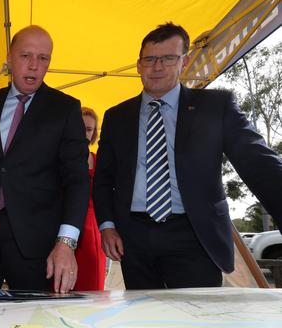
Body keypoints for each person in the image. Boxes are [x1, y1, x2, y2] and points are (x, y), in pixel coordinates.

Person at [93, 22, 282, 289]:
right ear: (138, 65)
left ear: (185, 62)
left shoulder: (216, 107)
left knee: (199, 320)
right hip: (133, 239)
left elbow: (259, 162)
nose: (157, 67)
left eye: (168, 58)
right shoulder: (116, 117)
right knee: (144, 321)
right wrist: (107, 225)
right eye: (150, 59)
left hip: (195, 236)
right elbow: (103, 179)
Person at [0, 25, 90, 295]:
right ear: (8, 57)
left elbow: (77, 180)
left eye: (43, 58)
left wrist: (66, 242)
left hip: (39, 246)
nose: (33, 66)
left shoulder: (65, 108)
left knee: (34, 324)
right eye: (25, 56)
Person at [74, 107, 106, 291]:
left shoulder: (99, 159)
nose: (85, 133)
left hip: (94, 226)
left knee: (93, 279)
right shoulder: (59, 158)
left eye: (89, 129)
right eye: (81, 128)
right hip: (67, 224)